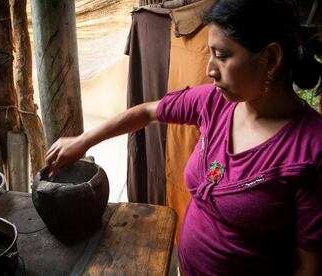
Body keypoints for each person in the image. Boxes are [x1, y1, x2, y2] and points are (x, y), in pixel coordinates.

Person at [45, 0, 322, 274]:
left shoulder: (311, 149)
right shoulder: (215, 103)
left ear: (271, 58)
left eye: (222, 56)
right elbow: (147, 112)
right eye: (210, 54)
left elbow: (309, 267)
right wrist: (84, 140)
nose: (210, 69)